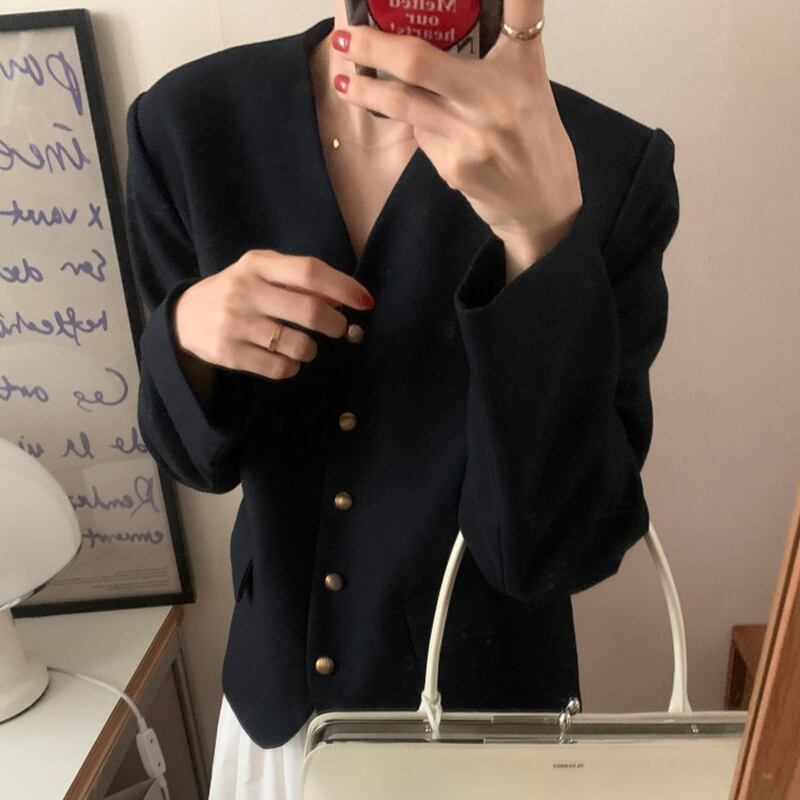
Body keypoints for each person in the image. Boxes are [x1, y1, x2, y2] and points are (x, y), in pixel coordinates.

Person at [123, 0, 680, 797]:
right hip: (281, 723)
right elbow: (189, 460)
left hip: (497, 738)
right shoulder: (189, 124)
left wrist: (542, 240)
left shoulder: (611, 167)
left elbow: (554, 552)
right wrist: (186, 338)